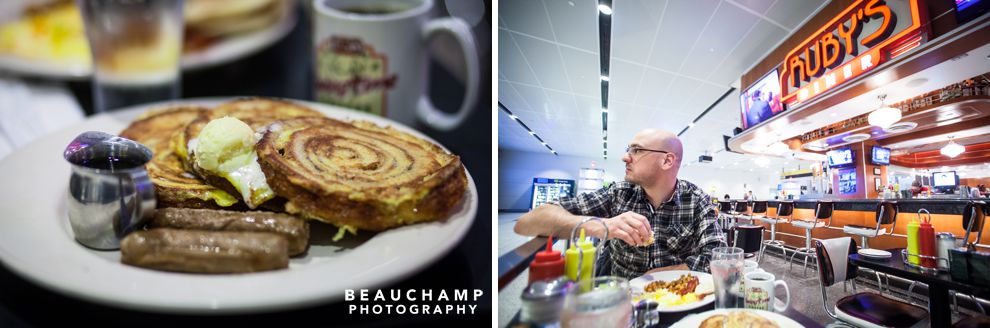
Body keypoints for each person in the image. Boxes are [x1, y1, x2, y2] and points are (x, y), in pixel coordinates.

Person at [514, 129, 723, 279]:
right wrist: (602, 226)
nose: (625, 157)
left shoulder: (697, 200)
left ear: (667, 161)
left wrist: (659, 276)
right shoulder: (618, 194)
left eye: (637, 150)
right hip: (620, 299)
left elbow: (719, 258)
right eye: (628, 150)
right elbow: (527, 222)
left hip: (677, 298)